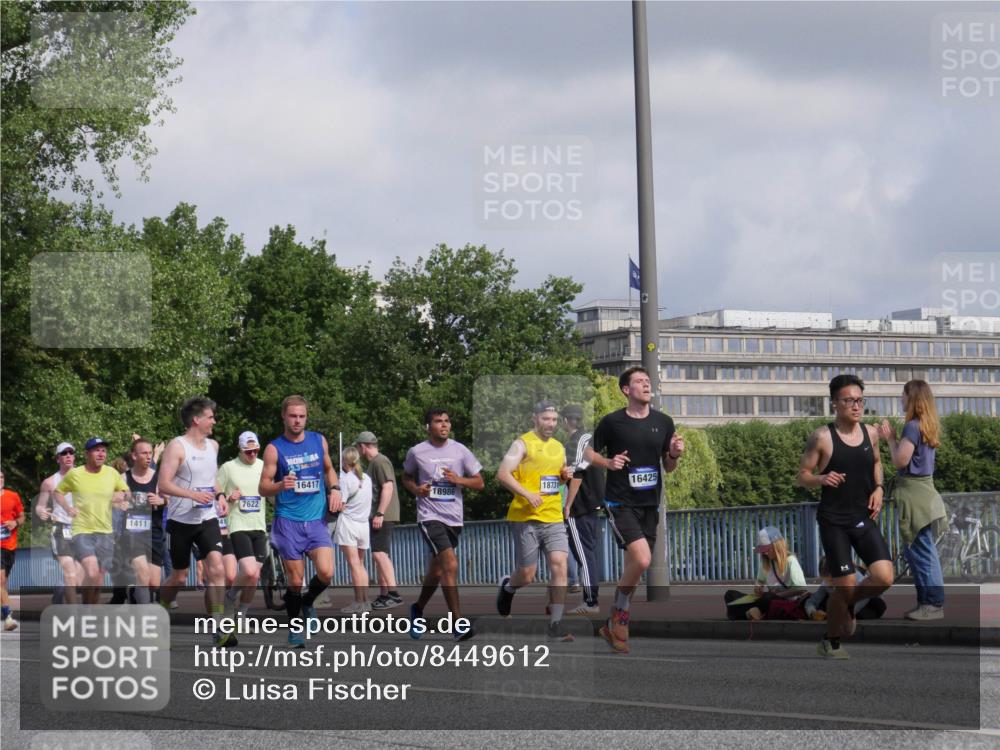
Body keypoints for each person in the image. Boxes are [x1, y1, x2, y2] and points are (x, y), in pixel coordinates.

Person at [585, 367, 684, 654]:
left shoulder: (663, 422)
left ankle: (611, 625)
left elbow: (668, 466)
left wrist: (675, 454)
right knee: (641, 560)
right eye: (639, 381)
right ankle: (620, 615)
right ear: (626, 390)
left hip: (649, 504)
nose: (645, 384)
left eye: (647, 381)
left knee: (635, 568)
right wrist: (608, 463)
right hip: (620, 502)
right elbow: (587, 452)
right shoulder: (613, 422)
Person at [797, 373, 894, 659]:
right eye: (849, 400)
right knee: (847, 583)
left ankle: (848, 604)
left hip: (862, 516)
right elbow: (802, 476)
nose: (856, 405)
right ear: (834, 404)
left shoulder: (871, 433)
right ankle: (831, 640)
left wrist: (878, 487)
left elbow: (877, 462)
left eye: (860, 400)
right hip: (833, 521)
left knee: (884, 577)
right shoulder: (822, 437)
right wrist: (821, 479)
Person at [259, 395, 343, 647]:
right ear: (283, 416)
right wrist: (279, 485)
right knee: (295, 581)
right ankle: (295, 629)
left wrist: (336, 488)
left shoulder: (318, 441)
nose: (297, 421)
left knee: (327, 572)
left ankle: (308, 602)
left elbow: (328, 469)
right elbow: (263, 487)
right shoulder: (274, 448)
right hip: (288, 521)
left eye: (302, 416)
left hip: (315, 520)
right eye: (293, 416)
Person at [157, 397, 235, 646]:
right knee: (179, 577)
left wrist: (220, 496)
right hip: (180, 522)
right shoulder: (177, 447)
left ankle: (219, 627)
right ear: (196, 420)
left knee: (217, 568)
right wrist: (192, 494)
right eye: (210, 417)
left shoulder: (213, 446)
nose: (214, 421)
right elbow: (163, 484)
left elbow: (212, 479)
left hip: (207, 517)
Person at [495, 401, 576, 642]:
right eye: (545, 419)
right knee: (527, 575)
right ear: (535, 419)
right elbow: (502, 474)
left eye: (553, 419)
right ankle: (509, 587)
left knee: (559, 565)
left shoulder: (559, 447)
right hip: (526, 517)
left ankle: (556, 623)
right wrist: (527, 494)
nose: (550, 423)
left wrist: (564, 477)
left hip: (552, 515)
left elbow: (554, 482)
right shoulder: (521, 443)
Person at [402, 408, 484, 641]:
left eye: (447, 421)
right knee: (450, 564)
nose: (444, 425)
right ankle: (458, 623)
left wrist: (459, 480)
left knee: (437, 570)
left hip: (454, 518)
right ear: (428, 427)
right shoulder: (417, 452)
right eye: (438, 422)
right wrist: (416, 489)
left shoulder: (460, 450)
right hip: (429, 516)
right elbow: (406, 477)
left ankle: (417, 608)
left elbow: (479, 483)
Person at [878, 379, 946, 621]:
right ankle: (927, 604)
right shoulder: (927, 426)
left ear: (912, 398)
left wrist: (890, 439)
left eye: (903, 394)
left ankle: (933, 605)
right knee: (920, 550)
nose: (900, 398)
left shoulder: (912, 427)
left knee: (921, 551)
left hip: (914, 496)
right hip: (924, 495)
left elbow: (900, 461)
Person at [53, 438, 129, 605]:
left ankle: (90, 613)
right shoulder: (75, 474)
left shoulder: (111, 473)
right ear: (87, 454)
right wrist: (67, 508)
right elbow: (58, 493)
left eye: (103, 450)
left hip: (106, 532)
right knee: (92, 572)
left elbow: (126, 492)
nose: (101, 453)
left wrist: (121, 495)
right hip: (82, 531)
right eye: (96, 450)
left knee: (99, 580)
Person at [217, 431, 269, 618]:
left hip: (259, 526)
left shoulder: (264, 466)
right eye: (248, 451)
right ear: (240, 449)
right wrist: (229, 498)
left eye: (255, 450)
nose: (253, 454)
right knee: (248, 570)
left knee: (254, 576)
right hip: (238, 525)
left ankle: (242, 615)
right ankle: (230, 597)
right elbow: (217, 494)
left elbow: (270, 493)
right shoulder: (228, 467)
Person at [562, 404, 605, 616]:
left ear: (565, 421)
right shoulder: (591, 438)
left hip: (579, 505)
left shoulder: (575, 441)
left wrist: (567, 505)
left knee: (583, 554)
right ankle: (591, 599)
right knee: (589, 552)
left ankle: (590, 601)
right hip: (594, 502)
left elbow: (576, 473)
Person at [357, 432, 403, 610]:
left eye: (359, 447)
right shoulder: (374, 463)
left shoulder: (380, 461)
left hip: (383, 515)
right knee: (379, 553)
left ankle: (394, 594)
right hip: (378, 514)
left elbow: (388, 486)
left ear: (363, 446)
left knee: (379, 554)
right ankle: (384, 594)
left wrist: (380, 513)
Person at [36, 442, 83, 605]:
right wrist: (40, 511)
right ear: (58, 458)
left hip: (82, 530)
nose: (68, 456)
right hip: (61, 530)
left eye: (71, 452)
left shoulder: (85, 477)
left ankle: (60, 589)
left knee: (77, 578)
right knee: (70, 574)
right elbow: (40, 506)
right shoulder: (49, 483)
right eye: (64, 453)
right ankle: (74, 617)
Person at [118, 438, 164, 605]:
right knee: (142, 573)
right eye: (144, 453)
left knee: (154, 583)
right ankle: (145, 618)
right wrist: (119, 503)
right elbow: (112, 499)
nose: (148, 456)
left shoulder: (159, 478)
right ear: (134, 456)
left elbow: (172, 499)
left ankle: (132, 593)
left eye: (150, 453)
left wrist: (161, 501)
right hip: (132, 534)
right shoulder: (123, 478)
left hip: (154, 532)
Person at [336, 446, 374, 613]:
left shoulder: (345, 479)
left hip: (349, 523)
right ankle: (365, 600)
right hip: (363, 524)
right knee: (361, 564)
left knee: (354, 565)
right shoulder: (366, 478)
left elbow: (340, 504)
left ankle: (359, 601)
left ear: (344, 461)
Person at [744, 527, 808, 621]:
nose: (765, 552)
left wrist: (779, 595)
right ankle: (755, 612)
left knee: (767, 598)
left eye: (767, 549)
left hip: (786, 600)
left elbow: (801, 589)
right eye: (763, 550)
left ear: (777, 546)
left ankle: (754, 612)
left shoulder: (790, 561)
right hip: (769, 598)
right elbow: (760, 580)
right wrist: (758, 586)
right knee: (730, 595)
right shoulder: (766, 562)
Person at [804, 557, 887, 622]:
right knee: (825, 602)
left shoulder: (854, 576)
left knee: (875, 604)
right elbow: (812, 601)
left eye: (833, 580)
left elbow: (864, 597)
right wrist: (812, 613)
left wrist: (847, 613)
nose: (831, 584)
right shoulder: (826, 584)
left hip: (867, 602)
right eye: (827, 580)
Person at [1, 469, 25, 631]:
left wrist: (15, 523)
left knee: (3, 583)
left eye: (1, 476)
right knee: (0, 581)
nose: (0, 479)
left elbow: (22, 517)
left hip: (10, 545)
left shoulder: (12, 496)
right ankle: (8, 617)